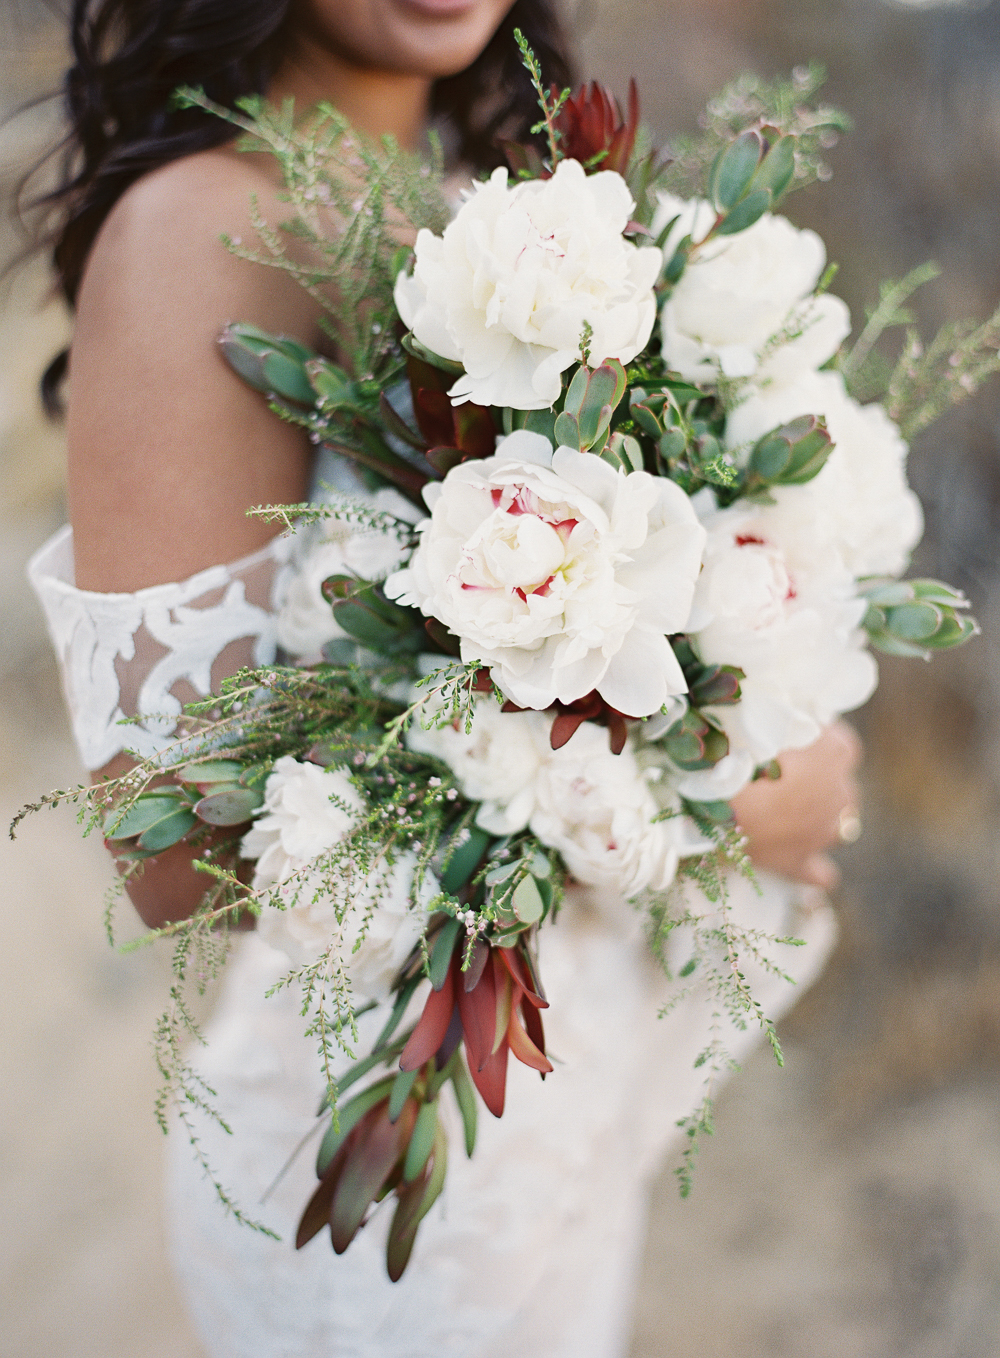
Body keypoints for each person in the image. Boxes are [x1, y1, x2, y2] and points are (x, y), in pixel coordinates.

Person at [27, 1, 860, 1353]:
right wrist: (714, 795)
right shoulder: (201, 228)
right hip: (368, 1157)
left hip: (539, 1131)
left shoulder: (520, 216)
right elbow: (174, 847)